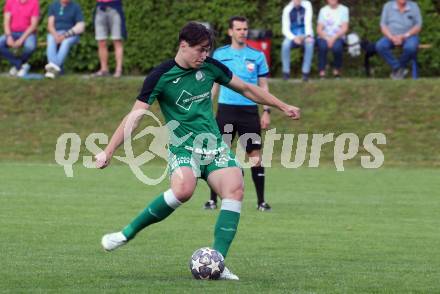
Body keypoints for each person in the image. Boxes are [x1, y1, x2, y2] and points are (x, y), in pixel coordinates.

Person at [95, 22, 300, 280]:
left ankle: (218, 261)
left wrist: (282, 105)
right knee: (184, 189)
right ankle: (126, 234)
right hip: (183, 148)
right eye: (201, 50)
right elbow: (135, 117)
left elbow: (248, 89)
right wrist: (108, 151)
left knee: (235, 188)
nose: (205, 56)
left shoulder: (211, 68)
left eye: (208, 50)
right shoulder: (161, 75)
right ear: (184, 45)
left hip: (213, 146)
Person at [204, 16, 272, 212]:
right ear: (230, 32)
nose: (243, 32)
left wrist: (266, 111)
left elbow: (263, 86)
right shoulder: (220, 54)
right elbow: (214, 84)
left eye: (245, 29)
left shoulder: (257, 55)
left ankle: (261, 202)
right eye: (239, 29)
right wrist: (206, 107)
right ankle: (212, 200)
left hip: (249, 111)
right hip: (226, 109)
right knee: (219, 154)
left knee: (255, 155)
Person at [376, 0, 422, 80]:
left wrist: (404, 36)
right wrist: (391, 37)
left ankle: (399, 69)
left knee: (411, 48)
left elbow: (418, 26)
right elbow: (383, 25)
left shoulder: (414, 6)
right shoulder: (388, 6)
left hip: (409, 36)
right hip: (391, 35)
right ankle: (398, 68)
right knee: (380, 46)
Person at [45, 0, 85, 79]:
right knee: (50, 38)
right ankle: (55, 69)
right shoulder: (53, 5)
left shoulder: (75, 6)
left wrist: (65, 36)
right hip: (56, 33)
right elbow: (50, 25)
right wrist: (56, 35)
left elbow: (81, 26)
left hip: (70, 34)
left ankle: (52, 69)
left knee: (66, 42)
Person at [0, 0, 39, 77]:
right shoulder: (10, 1)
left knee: (30, 46)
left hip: (28, 33)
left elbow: (33, 25)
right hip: (12, 33)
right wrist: (8, 36)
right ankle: (20, 65)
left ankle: (16, 67)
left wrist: (21, 39)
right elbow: (6, 22)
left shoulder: (34, 2)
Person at [281, 0, 314, 82]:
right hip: (292, 34)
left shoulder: (307, 5)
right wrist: (294, 38)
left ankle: (305, 73)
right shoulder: (287, 9)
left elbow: (308, 23)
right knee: (285, 45)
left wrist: (307, 36)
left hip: (305, 33)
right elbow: (285, 29)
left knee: (309, 43)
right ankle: (286, 72)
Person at [93, 0, 126, 78]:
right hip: (100, 8)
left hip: (115, 8)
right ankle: (104, 69)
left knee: (117, 40)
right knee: (101, 41)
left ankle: (118, 70)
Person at [316, 0, 349, 79]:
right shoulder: (323, 10)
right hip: (324, 36)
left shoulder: (344, 9)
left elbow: (345, 28)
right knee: (322, 46)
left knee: (337, 48)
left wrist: (334, 38)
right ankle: (322, 72)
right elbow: (319, 29)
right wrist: (327, 38)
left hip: (338, 36)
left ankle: (336, 71)